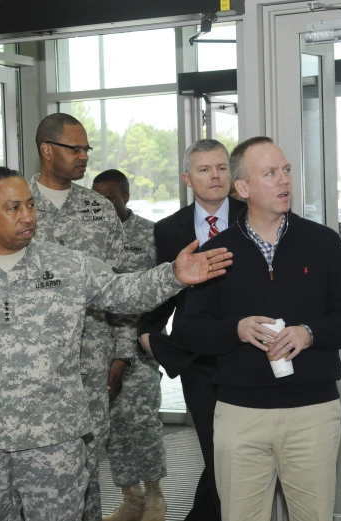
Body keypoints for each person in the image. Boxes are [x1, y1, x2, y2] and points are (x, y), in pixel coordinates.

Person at [0, 167, 232, 521]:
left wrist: (173, 276)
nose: (28, 216)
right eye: (14, 208)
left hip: (55, 442)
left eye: (30, 205)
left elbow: (123, 293)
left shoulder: (68, 266)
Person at [180, 137, 341, 521]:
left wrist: (309, 333)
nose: (284, 180)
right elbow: (189, 330)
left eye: (286, 171)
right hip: (240, 415)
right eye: (270, 173)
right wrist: (237, 329)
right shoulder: (217, 252)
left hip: (312, 413)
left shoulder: (324, 243)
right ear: (243, 188)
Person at [28, 113, 133, 521]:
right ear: (47, 150)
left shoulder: (99, 209)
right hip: (32, 369)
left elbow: (122, 284)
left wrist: (122, 351)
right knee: (38, 476)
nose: (84, 156)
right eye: (75, 148)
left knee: (89, 471)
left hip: (91, 364)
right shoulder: (16, 205)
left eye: (86, 148)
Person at [138, 139, 246, 521]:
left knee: (238, 456)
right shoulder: (169, 229)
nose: (215, 176)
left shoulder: (255, 215)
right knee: (215, 450)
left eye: (221, 168)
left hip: (248, 350)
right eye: (204, 169)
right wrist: (148, 335)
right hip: (198, 358)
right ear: (187, 178)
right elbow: (165, 290)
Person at [92, 170, 167, 521]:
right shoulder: (91, 236)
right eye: (96, 198)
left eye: (109, 198)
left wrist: (154, 333)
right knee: (112, 426)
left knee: (142, 421)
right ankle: (131, 497)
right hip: (98, 347)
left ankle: (155, 496)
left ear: (125, 195)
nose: (103, 205)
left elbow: (165, 289)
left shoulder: (151, 234)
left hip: (139, 348)